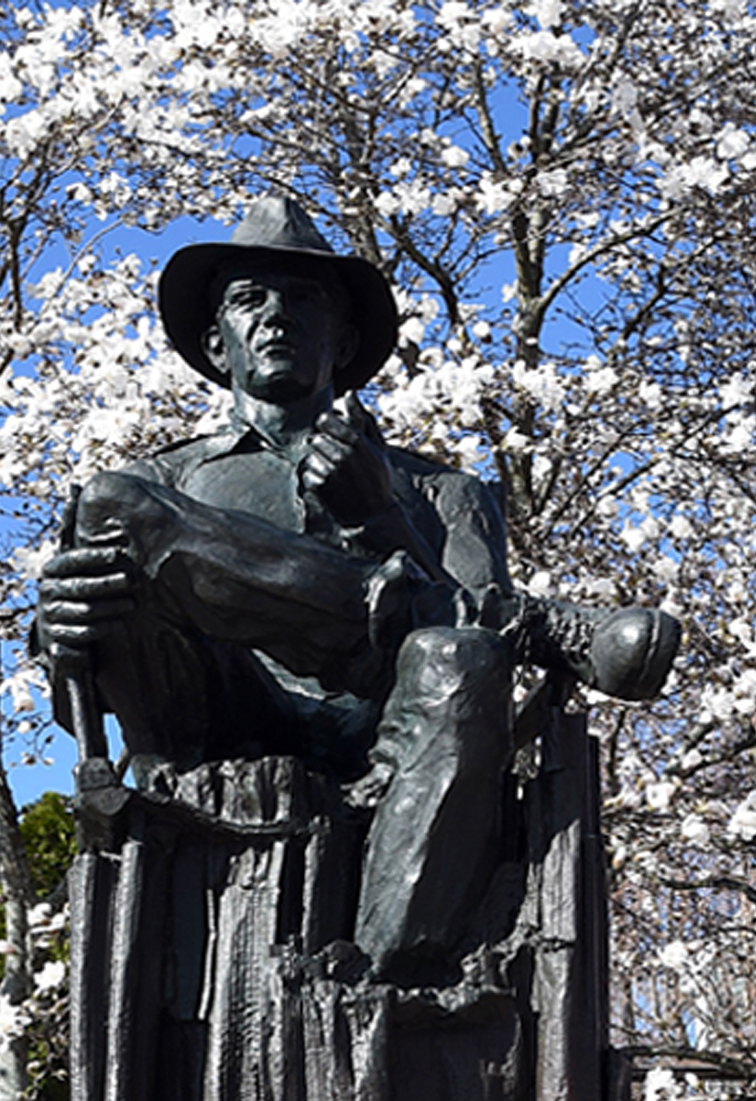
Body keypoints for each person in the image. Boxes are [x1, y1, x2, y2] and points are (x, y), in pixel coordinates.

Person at [37, 196, 677, 984]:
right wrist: (63, 627)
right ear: (216, 341)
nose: (276, 316)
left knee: (462, 650)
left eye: (302, 299)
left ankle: (381, 977)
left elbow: (477, 673)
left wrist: (380, 517)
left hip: (387, 735)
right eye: (249, 299)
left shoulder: (442, 492)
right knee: (109, 505)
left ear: (342, 341)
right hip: (214, 721)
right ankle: (541, 623)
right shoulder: (164, 482)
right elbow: (85, 685)